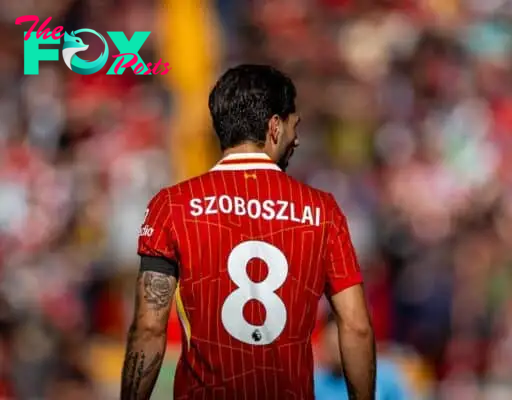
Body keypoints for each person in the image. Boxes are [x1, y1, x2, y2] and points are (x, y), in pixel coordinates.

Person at [119, 64, 375, 400]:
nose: (296, 138)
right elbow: (356, 326)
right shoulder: (322, 210)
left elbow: (150, 327)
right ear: (274, 126)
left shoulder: (172, 205)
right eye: (293, 126)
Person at [315, 317, 410, 400]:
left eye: (340, 346)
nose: (337, 353)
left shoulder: (385, 379)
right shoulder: (314, 386)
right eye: (332, 347)